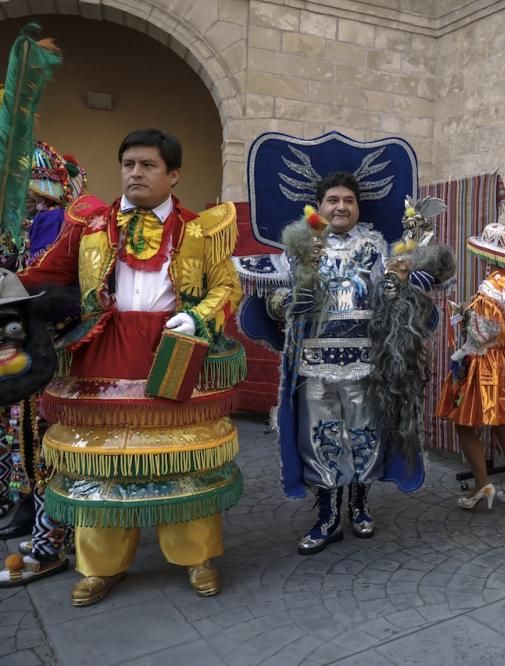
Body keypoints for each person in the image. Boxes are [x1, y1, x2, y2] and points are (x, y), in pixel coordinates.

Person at [17, 128, 245, 606]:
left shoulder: (200, 230)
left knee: (182, 457)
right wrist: (9, 284)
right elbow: (47, 275)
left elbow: (227, 287)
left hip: (173, 351)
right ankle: (100, 565)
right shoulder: (90, 224)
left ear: (174, 174)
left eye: (148, 165)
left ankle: (195, 556)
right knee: (103, 459)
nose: (136, 173)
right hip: (103, 351)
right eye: (129, 164)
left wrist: (200, 316)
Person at [265, 172, 387, 554]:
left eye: (348, 200)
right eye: (333, 199)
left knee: (365, 435)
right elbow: (273, 297)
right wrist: (288, 304)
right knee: (322, 439)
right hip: (315, 363)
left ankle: (360, 505)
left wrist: (404, 286)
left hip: (365, 363)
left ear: (357, 208)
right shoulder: (299, 245)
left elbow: (389, 296)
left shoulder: (374, 246)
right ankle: (328, 516)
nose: (340, 206)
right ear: (320, 206)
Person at [0, 142, 85, 586]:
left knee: (47, 444)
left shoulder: (57, 222)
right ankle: (39, 522)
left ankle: (52, 535)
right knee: (29, 442)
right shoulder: (35, 223)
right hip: (30, 348)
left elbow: (43, 283)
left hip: (50, 351)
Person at [435, 222, 505, 509]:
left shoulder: (489, 287)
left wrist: (462, 313)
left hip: (486, 364)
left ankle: (482, 484)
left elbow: (484, 333)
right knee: (502, 423)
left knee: (463, 422)